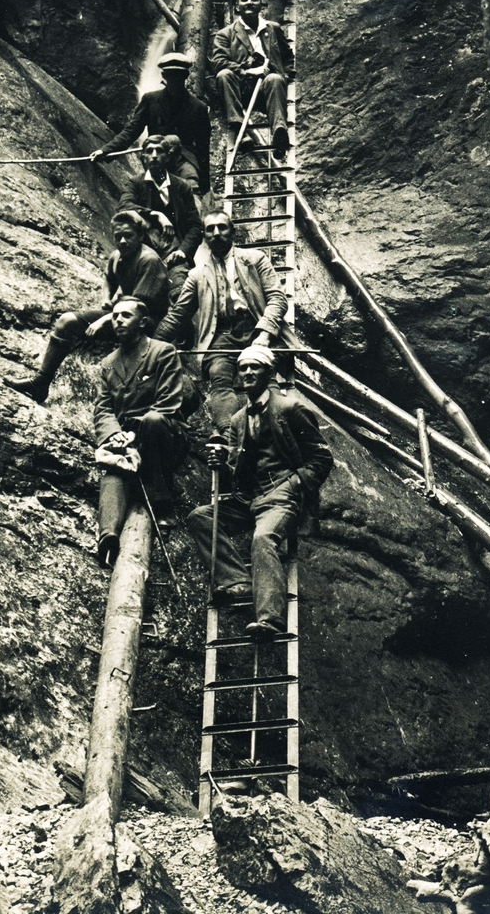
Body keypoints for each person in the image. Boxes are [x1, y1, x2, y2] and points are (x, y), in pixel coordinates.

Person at [186, 346, 333, 634]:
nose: (249, 372)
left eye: (256, 367)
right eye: (243, 368)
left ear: (270, 373)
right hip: (249, 497)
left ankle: (269, 619)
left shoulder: (290, 409)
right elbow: (236, 469)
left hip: (281, 495)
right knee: (200, 517)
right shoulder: (239, 419)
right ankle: (236, 582)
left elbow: (321, 458)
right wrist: (220, 464)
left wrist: (294, 484)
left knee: (263, 538)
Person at [10, 211, 168, 405]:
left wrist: (104, 319)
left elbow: (139, 307)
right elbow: (109, 279)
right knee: (65, 321)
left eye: (129, 236)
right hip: (122, 312)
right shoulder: (118, 255)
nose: (123, 241)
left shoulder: (149, 260)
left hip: (145, 322)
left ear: (141, 236)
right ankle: (41, 382)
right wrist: (106, 298)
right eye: (118, 236)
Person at [156, 211, 290, 428]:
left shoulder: (255, 260)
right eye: (210, 229)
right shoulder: (197, 274)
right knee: (219, 376)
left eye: (222, 227)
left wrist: (265, 334)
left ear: (232, 232)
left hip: (256, 329)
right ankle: (229, 436)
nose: (216, 233)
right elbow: (178, 315)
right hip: (220, 336)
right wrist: (152, 343)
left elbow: (278, 299)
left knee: (263, 376)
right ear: (204, 237)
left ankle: (274, 429)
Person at [94, 297, 188, 568]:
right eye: (114, 316)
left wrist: (134, 432)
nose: (118, 321)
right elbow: (102, 409)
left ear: (142, 321)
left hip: (164, 436)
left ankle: (162, 501)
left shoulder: (162, 351)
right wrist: (115, 437)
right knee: (113, 470)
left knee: (154, 420)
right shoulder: (108, 364)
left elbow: (168, 401)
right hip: (128, 441)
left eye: (125, 315)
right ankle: (108, 537)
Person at [91, 52, 211, 194]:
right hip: (156, 155)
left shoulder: (198, 107)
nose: (174, 80)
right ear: (164, 76)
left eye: (178, 75)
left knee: (191, 188)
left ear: (185, 76)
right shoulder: (151, 100)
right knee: (155, 193)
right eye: (170, 75)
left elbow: (203, 147)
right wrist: (106, 150)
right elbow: (132, 130)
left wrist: (204, 181)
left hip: (184, 158)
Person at [211, 0, 293, 160]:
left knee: (274, 78)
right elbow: (219, 62)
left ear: (261, 4)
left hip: (268, 89)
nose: (249, 2)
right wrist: (247, 71)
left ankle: (280, 134)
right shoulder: (225, 34)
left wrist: (285, 74)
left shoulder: (273, 29)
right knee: (223, 75)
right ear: (237, 7)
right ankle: (240, 130)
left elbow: (287, 56)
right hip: (240, 91)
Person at [118, 134, 202, 263]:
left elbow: (195, 226)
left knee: (180, 281)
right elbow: (124, 206)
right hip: (143, 252)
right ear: (143, 157)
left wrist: (183, 251)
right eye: (149, 151)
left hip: (175, 254)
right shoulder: (135, 183)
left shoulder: (181, 186)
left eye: (160, 151)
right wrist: (156, 215)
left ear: (168, 157)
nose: (155, 155)